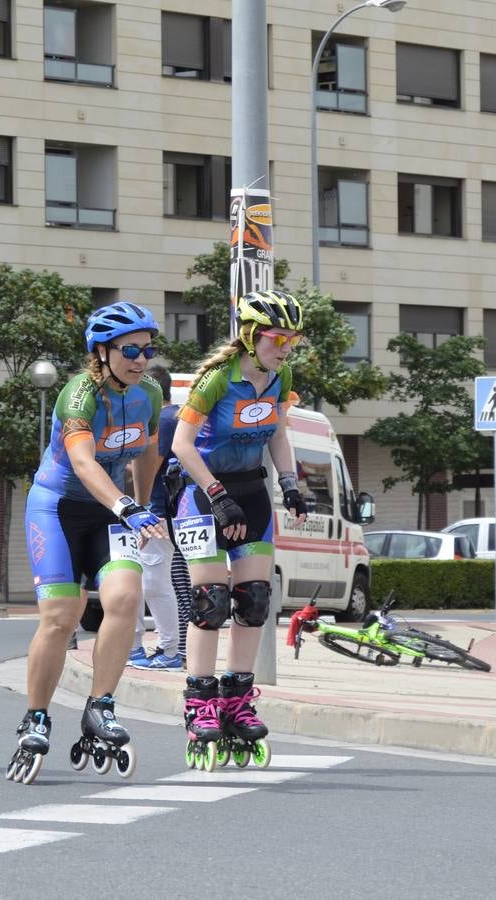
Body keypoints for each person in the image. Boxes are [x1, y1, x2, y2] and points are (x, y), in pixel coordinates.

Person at [11, 301, 168, 783]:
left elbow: (147, 455)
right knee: (61, 620)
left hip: (111, 510)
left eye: (147, 349)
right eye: (130, 350)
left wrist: (144, 509)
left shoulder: (149, 395)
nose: (140, 359)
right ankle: (35, 716)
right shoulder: (77, 395)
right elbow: (83, 463)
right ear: (101, 352)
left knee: (125, 597)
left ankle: (100, 707)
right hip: (58, 507)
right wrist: (125, 507)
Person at [171, 289, 309, 763]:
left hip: (251, 493)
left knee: (254, 601)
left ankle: (236, 700)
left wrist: (289, 483)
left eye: (293, 339)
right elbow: (181, 446)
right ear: (251, 336)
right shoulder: (214, 381)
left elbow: (278, 432)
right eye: (277, 338)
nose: (285, 347)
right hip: (203, 494)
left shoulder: (280, 376)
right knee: (211, 604)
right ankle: (200, 703)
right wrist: (216, 495)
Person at [127, 363, 190, 670]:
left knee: (153, 581)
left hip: (157, 512)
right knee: (144, 580)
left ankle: (170, 651)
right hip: (165, 511)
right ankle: (142, 648)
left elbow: (150, 465)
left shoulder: (164, 419)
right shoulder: (174, 416)